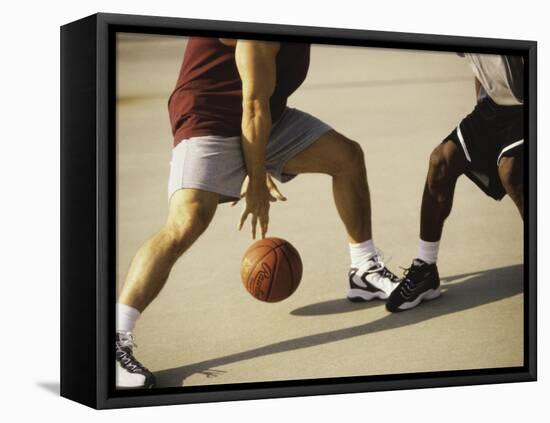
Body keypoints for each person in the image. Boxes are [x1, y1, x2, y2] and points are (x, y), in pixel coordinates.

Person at [115, 37, 400, 389]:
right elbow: (252, 106)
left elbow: (261, 104)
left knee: (347, 158)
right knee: (185, 223)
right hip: (209, 118)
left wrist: (259, 159)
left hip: (267, 119)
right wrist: (256, 179)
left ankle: (364, 270)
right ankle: (113, 338)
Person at [386, 54, 524, 313]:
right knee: (441, 161)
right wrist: (481, 107)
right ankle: (425, 268)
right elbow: (481, 66)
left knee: (511, 172)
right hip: (494, 108)